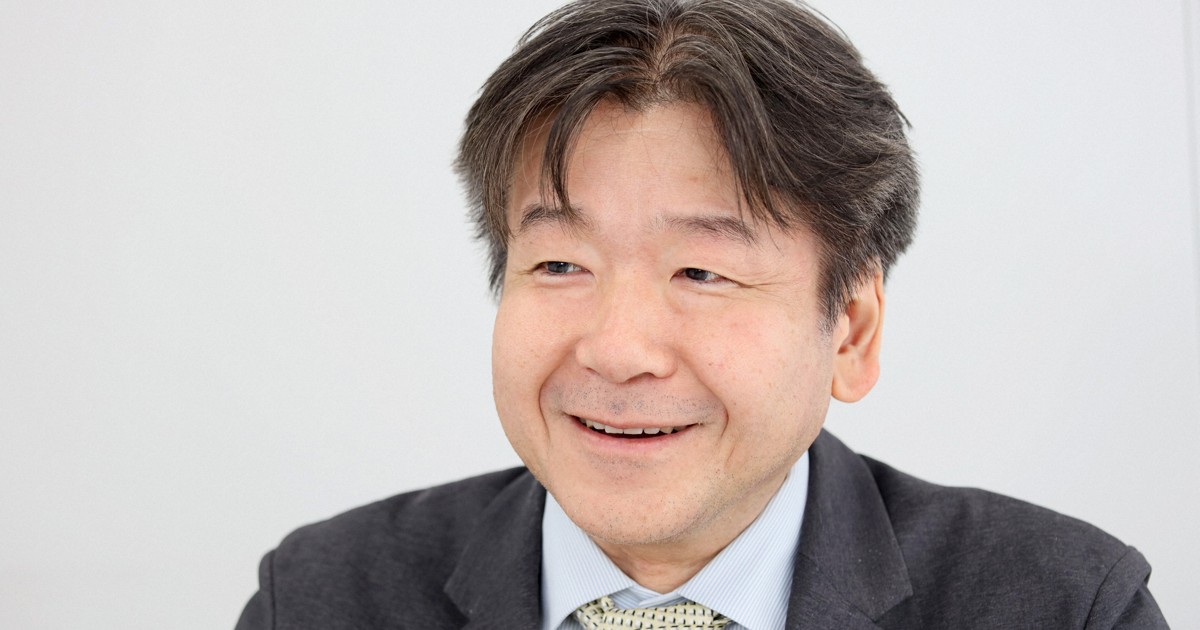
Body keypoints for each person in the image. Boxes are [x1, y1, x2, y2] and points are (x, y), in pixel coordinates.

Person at [235, 1, 1169, 628]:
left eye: (701, 272)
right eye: (559, 264)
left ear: (850, 330)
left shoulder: (1066, 606)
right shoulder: (319, 600)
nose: (617, 350)